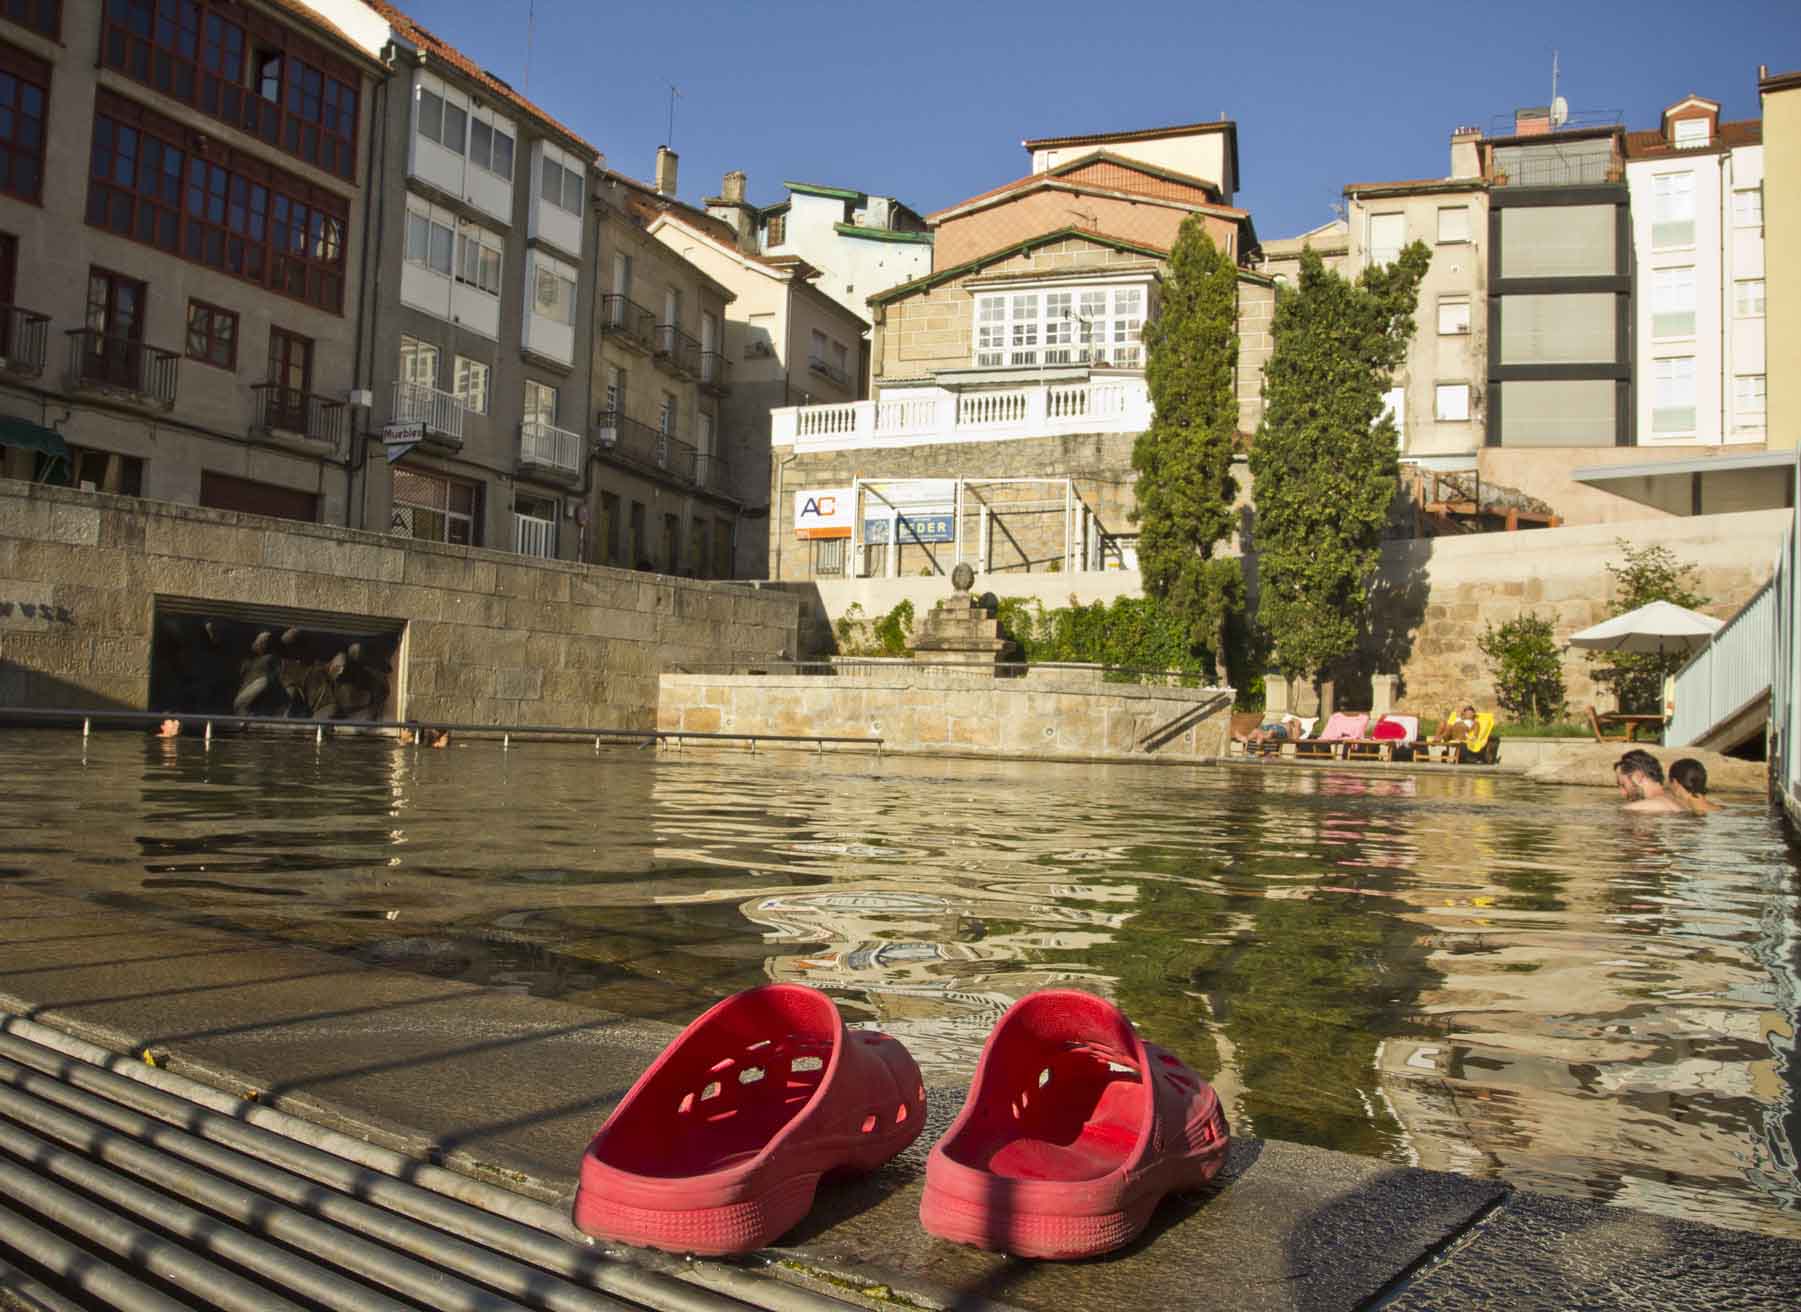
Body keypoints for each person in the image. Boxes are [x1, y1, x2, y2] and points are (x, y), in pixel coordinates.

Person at [1615, 749, 1685, 813]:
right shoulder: (1680, 802)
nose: (1622, 793)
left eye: (1623, 785)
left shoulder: (1634, 809)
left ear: (1638, 777)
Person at [1237, 713, 1301, 749]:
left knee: (1271, 732)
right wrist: (1289, 721)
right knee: (1256, 730)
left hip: (1280, 731)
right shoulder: (1287, 723)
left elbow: (1294, 738)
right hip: (1272, 727)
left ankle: (1261, 738)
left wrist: (1293, 720)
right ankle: (1246, 738)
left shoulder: (1295, 728)